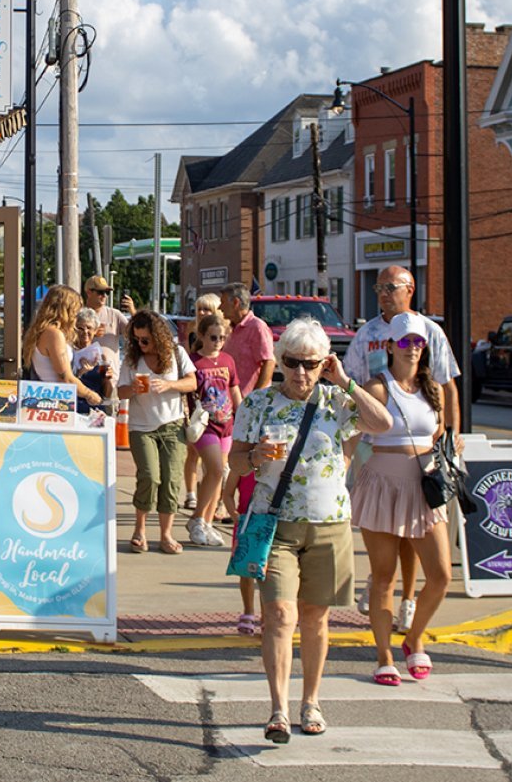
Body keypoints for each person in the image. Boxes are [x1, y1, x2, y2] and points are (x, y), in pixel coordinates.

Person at [221, 318, 392, 743]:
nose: (301, 373)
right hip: (274, 522)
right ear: (280, 362)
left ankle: (310, 701)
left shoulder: (337, 401)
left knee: (316, 619)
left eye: (311, 364)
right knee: (279, 615)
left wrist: (346, 382)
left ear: (324, 363)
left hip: (329, 522)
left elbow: (383, 424)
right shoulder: (258, 404)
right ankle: (278, 709)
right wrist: (257, 456)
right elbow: (236, 464)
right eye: (293, 363)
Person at [343, 265, 461, 632]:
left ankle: (409, 599)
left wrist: (451, 434)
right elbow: (353, 383)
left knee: (416, 533)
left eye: (391, 287)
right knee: (383, 529)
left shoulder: (430, 331)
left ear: (410, 290)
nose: (383, 293)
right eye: (379, 287)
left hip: (422, 451)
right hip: (373, 442)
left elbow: (447, 385)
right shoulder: (367, 334)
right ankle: (382, 587)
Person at [353, 313, 454, 685]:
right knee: (384, 578)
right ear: (391, 346)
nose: (413, 348)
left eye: (419, 342)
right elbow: (355, 430)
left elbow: (439, 430)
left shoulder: (434, 389)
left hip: (423, 486)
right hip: (382, 484)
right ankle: (384, 655)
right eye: (406, 342)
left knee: (441, 574)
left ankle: (413, 638)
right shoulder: (377, 388)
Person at [218, 282, 277, 634]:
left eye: (226, 302)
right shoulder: (230, 330)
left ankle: (265, 610)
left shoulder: (257, 328)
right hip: (234, 409)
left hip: (251, 408)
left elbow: (267, 362)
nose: (223, 307)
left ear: (238, 302)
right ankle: (247, 610)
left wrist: (259, 398)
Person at [119, 311, 197, 555]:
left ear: (158, 337)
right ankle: (140, 530)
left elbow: (193, 382)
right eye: (137, 340)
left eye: (145, 340)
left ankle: (166, 535)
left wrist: (169, 385)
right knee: (150, 476)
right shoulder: (132, 360)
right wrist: (131, 388)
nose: (141, 345)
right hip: (142, 427)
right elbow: (119, 392)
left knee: (172, 480)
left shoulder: (176, 353)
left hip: (172, 425)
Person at [184, 312, 242, 547]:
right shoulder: (193, 361)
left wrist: (245, 416)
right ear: (202, 336)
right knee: (217, 470)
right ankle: (197, 518)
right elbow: (185, 389)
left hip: (226, 423)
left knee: (217, 476)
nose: (217, 342)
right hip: (204, 424)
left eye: (221, 338)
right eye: (213, 337)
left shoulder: (228, 360)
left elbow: (235, 391)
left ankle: (207, 523)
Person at [22, 285, 103, 410]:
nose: (76, 315)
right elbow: (66, 378)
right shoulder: (53, 334)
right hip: (55, 403)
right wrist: (89, 394)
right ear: (66, 309)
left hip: (50, 400)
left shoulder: (43, 331)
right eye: (75, 310)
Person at [182, 292, 222, 510]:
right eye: (199, 309)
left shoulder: (221, 338)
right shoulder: (192, 337)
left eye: (207, 309)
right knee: (193, 451)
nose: (202, 313)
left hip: (217, 403)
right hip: (196, 401)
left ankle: (212, 499)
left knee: (215, 460)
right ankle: (190, 493)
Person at [73, 307, 118, 413]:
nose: (85, 332)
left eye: (89, 328)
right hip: (74, 407)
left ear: (95, 331)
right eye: (80, 328)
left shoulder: (101, 356)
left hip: (96, 410)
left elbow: (106, 394)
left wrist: (107, 379)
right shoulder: (69, 352)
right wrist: (79, 374)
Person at [84, 275, 130, 356]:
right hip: (86, 367)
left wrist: (133, 311)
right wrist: (91, 333)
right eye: (100, 292)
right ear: (88, 292)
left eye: (107, 292)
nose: (104, 296)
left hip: (110, 368)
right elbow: (70, 342)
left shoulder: (115, 314)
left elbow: (134, 334)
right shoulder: (78, 315)